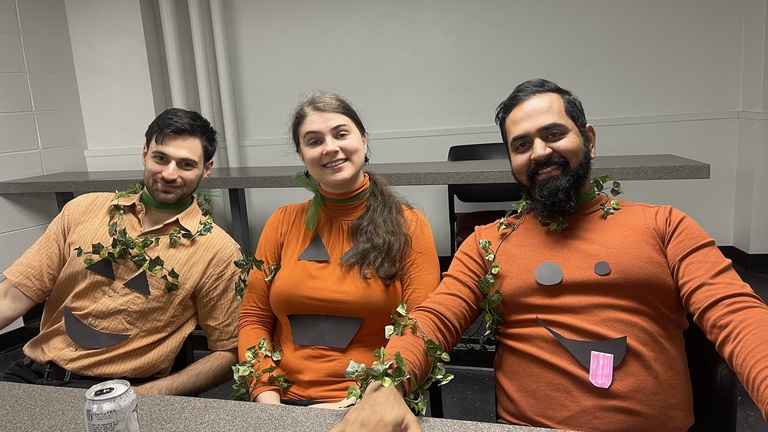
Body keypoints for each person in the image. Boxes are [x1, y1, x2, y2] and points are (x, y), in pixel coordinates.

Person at [331, 79, 768, 431]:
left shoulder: (664, 224)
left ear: (589, 139)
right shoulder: (489, 242)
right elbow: (434, 318)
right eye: (521, 145)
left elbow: (736, 314)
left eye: (554, 134)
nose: (540, 152)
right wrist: (386, 384)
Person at [0, 108, 242, 396]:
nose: (169, 173)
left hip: (120, 390)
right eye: (160, 158)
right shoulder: (82, 210)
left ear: (207, 169)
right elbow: (10, 296)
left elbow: (228, 353)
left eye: (186, 164)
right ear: (144, 153)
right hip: (33, 373)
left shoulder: (219, 252)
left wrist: (146, 396)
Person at [237, 91, 440, 406]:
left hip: (370, 401)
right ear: (303, 155)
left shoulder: (408, 226)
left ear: (364, 140)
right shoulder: (282, 222)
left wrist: (366, 401)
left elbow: (422, 325)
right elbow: (254, 317)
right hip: (279, 401)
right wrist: (266, 394)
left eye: (341, 134)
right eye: (314, 141)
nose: (330, 148)